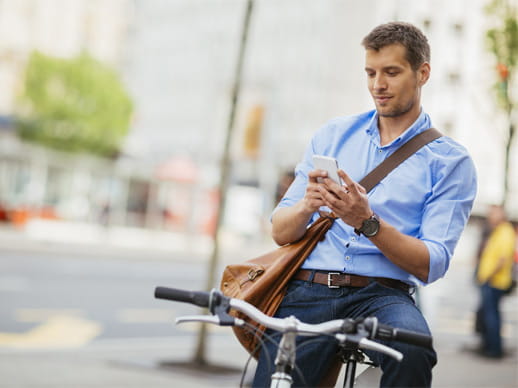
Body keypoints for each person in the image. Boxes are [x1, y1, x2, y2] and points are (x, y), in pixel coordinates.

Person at [253, 22, 477, 387]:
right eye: (370, 73)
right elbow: (280, 231)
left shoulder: (450, 161)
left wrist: (366, 221)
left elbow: (432, 264)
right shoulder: (333, 135)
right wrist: (307, 206)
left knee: (413, 350)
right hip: (308, 288)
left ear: (423, 73)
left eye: (391, 72)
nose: (378, 85)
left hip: (382, 295)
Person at [475, 204, 516, 358]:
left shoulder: (505, 231)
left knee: (492, 317)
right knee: (489, 315)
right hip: (489, 280)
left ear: (502, 214)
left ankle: (494, 350)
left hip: (494, 281)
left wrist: (488, 276)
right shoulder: (498, 231)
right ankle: (488, 347)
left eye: (493, 213)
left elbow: (503, 258)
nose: (490, 216)